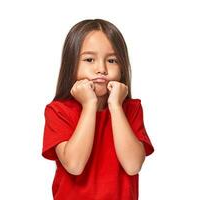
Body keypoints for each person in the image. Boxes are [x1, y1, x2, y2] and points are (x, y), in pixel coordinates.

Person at [41, 18, 155, 200]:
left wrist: (115, 105)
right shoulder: (58, 111)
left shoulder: (131, 109)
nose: (101, 69)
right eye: (89, 59)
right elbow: (74, 164)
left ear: (122, 68)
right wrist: (89, 105)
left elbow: (133, 165)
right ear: (71, 65)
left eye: (111, 60)